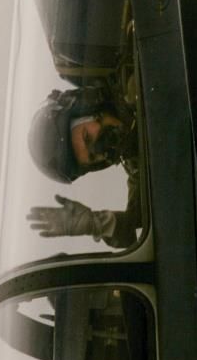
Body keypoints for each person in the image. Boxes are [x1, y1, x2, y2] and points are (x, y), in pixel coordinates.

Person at [27, 81, 141, 250]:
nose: (101, 147)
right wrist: (98, 224)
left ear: (88, 107)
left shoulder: (133, 77)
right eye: (93, 156)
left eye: (87, 137)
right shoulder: (139, 169)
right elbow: (139, 223)